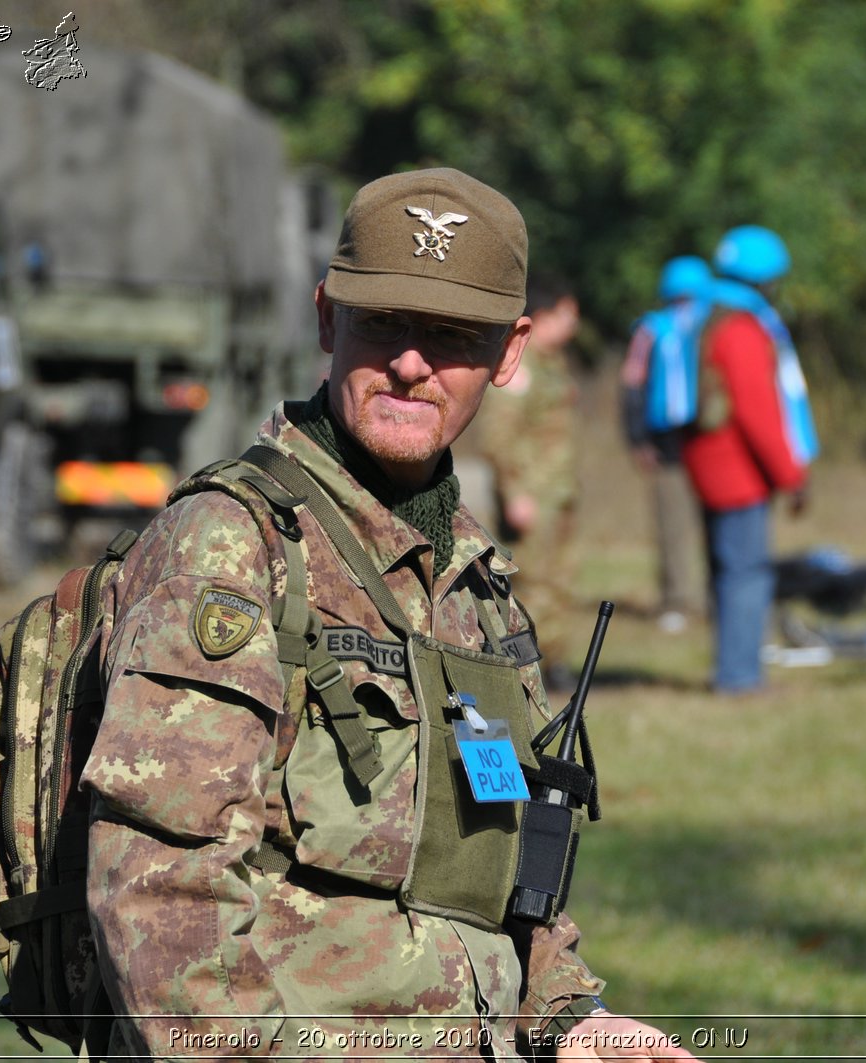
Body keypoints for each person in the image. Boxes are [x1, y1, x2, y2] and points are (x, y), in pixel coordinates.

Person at [80, 168, 697, 1061]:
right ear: (329, 319)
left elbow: (492, 871)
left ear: (510, 352)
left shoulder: (473, 577)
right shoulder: (233, 545)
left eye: (452, 336)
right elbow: (162, 896)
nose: (412, 363)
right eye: (385, 324)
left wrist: (569, 1019)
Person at [682, 226, 810, 695]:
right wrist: (791, 476)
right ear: (765, 279)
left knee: (726, 571)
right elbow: (759, 414)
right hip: (738, 473)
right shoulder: (743, 329)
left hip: (706, 465)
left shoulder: (706, 317)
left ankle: (730, 668)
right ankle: (739, 677)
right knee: (747, 574)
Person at [467, 272, 583, 674]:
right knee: (532, 584)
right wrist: (515, 492)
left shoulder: (553, 364)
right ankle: (525, 670)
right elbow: (499, 436)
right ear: (544, 315)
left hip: (557, 490)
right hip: (531, 494)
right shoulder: (520, 364)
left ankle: (554, 662)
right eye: (567, 315)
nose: (574, 325)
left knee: (559, 580)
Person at [619, 256, 716, 632]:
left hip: (692, 445)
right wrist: (638, 440)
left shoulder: (656, 328)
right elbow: (633, 385)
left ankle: (698, 600)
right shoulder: (674, 330)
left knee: (694, 525)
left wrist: (636, 437)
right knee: (675, 525)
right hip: (672, 448)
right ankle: (682, 600)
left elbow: (630, 385)